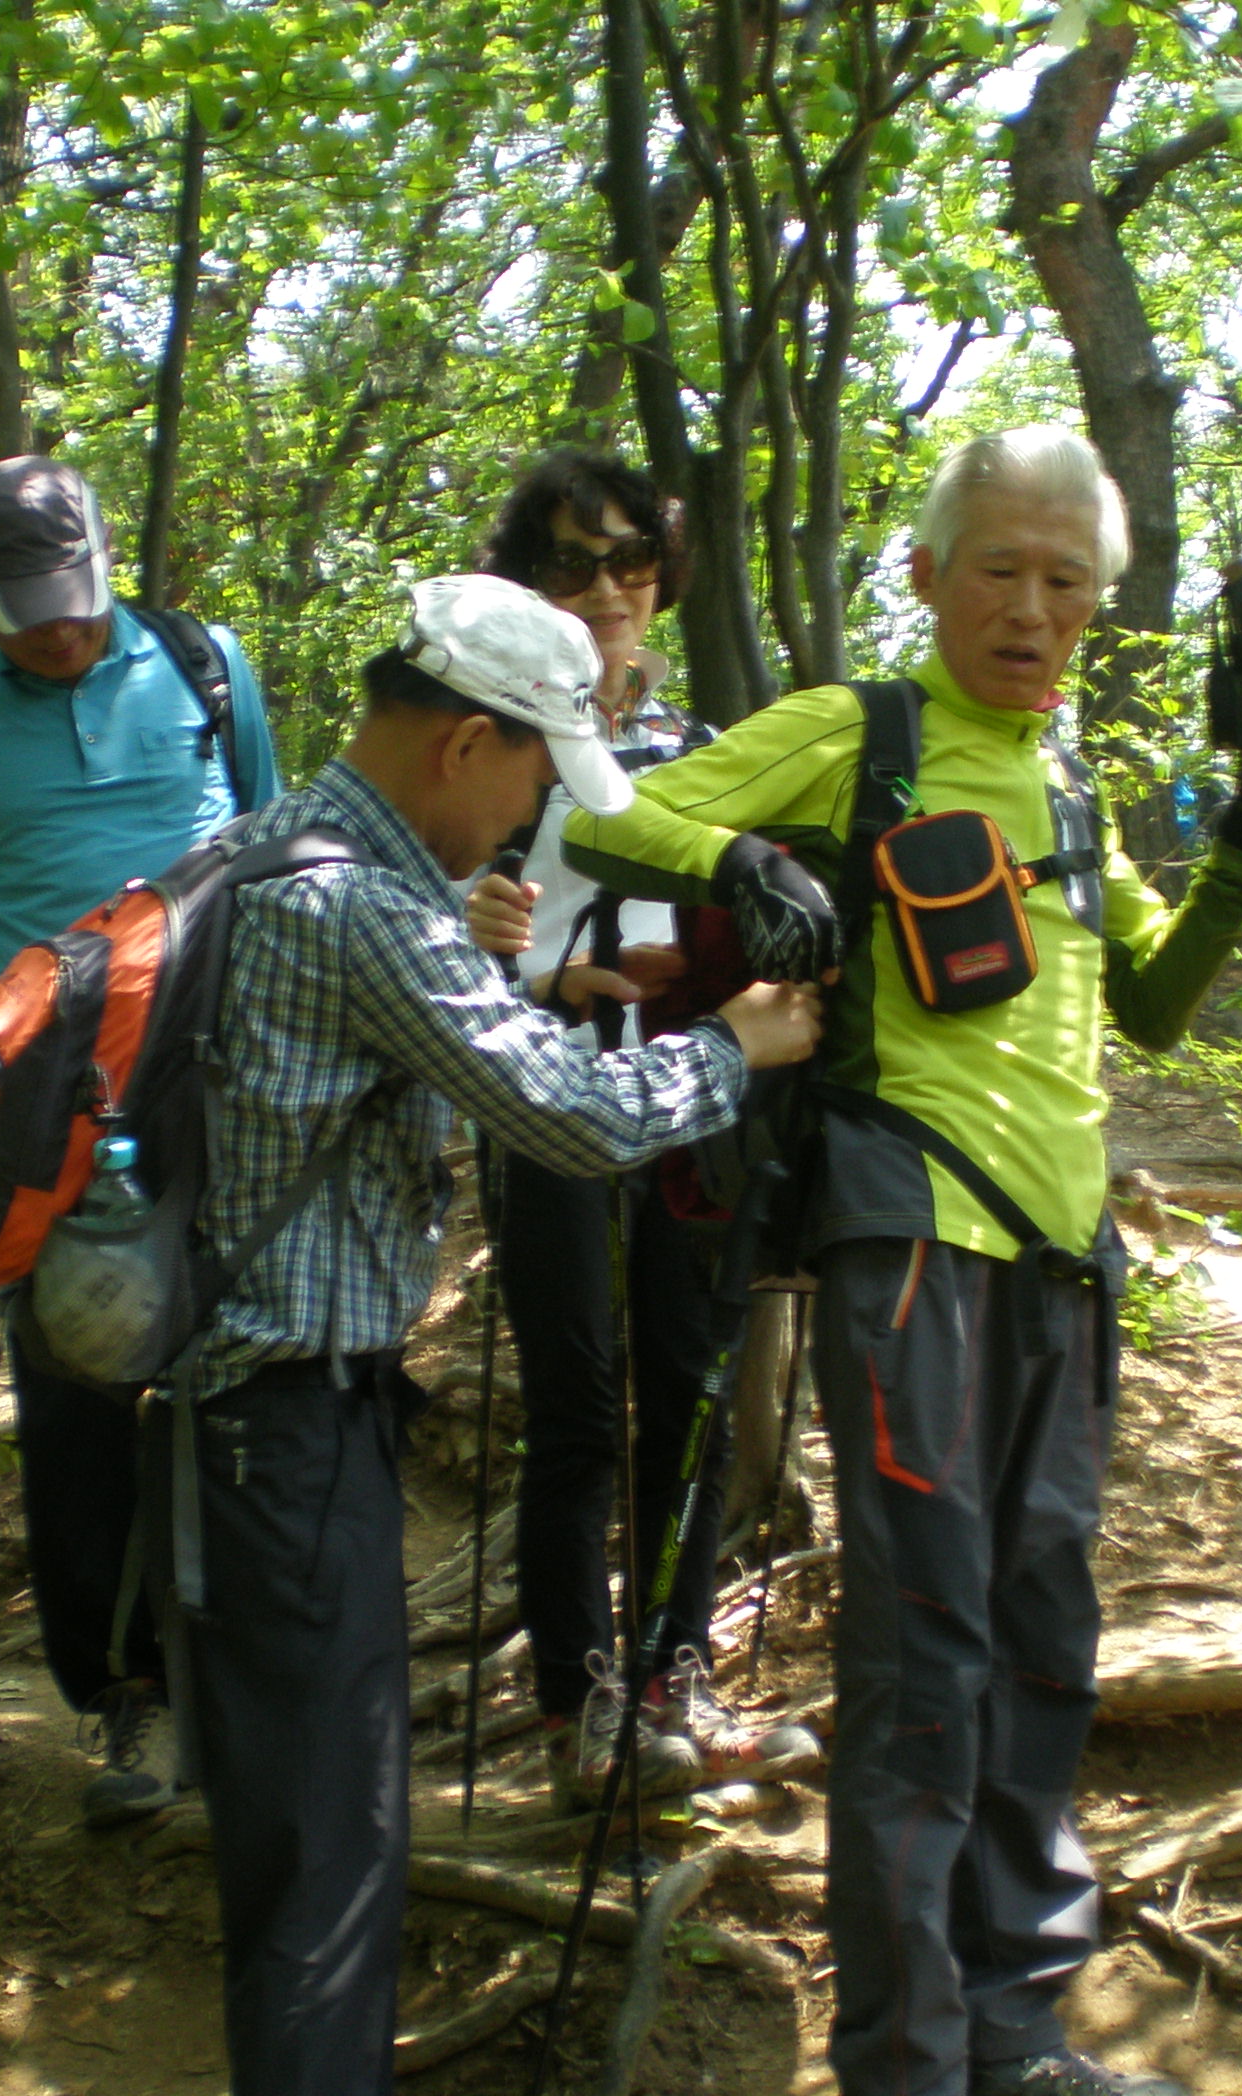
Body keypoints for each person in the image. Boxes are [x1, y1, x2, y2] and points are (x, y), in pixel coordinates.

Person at [564, 426, 1242, 2096]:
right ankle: (902, 2093)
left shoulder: (1066, 774)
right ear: (927, 577)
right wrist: (759, 861)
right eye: (1001, 568)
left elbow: (1152, 1001)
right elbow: (601, 815)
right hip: (907, 1238)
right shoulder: (863, 731)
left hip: (1063, 1259)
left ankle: (1010, 2033)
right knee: (926, 1658)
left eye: (1069, 580)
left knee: (1041, 1646)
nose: (1035, 608)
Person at [154, 574, 819, 2096]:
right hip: (292, 1435)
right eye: (532, 773)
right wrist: (733, 1048)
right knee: (328, 1863)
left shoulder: (253, 849)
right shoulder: (360, 906)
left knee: (309, 1851)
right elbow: (574, 1110)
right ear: (465, 742)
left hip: (243, 1433)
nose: (534, 811)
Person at [0, 454, 279, 1830]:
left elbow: (281, 852)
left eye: (78, 599)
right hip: (44, 1095)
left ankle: (254, 1680)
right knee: (81, 1381)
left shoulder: (205, 667)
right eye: (29, 610)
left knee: (251, 1364)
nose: (61, 631)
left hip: (222, 1073)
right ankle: (128, 1697)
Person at [455, 448, 820, 1811]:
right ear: (525, 581)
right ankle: (581, 1705)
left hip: (694, 1099)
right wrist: (529, 967)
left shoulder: (711, 749)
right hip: (543, 1095)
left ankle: (678, 1680)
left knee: (691, 1385)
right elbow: (425, 944)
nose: (608, 588)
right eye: (573, 562)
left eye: (634, 561)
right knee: (575, 1403)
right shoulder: (490, 743)